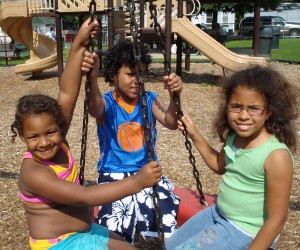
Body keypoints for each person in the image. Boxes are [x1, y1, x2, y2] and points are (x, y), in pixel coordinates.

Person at [11, 19, 162, 250]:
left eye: (51, 132)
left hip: (84, 230)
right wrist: (137, 182)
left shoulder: (58, 141)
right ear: (22, 136)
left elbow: (66, 93)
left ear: (58, 127)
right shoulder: (34, 172)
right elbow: (83, 197)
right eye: (34, 137)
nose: (44, 142)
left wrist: (79, 45)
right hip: (60, 244)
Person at [165, 65, 298, 250]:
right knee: (170, 246)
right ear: (227, 106)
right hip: (219, 213)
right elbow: (218, 165)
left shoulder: (276, 156)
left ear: (268, 112)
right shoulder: (234, 137)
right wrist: (194, 134)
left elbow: (277, 219)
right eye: (236, 107)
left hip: (245, 230)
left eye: (253, 108)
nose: (243, 115)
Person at [79, 42, 183, 243]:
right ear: (114, 75)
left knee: (163, 215)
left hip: (147, 172)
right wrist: (91, 78)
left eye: (141, 74)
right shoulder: (108, 103)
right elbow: (94, 108)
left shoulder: (150, 100)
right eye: (131, 74)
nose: (138, 80)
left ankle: (158, 242)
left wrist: (173, 95)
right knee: (115, 222)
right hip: (113, 173)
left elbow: (170, 121)